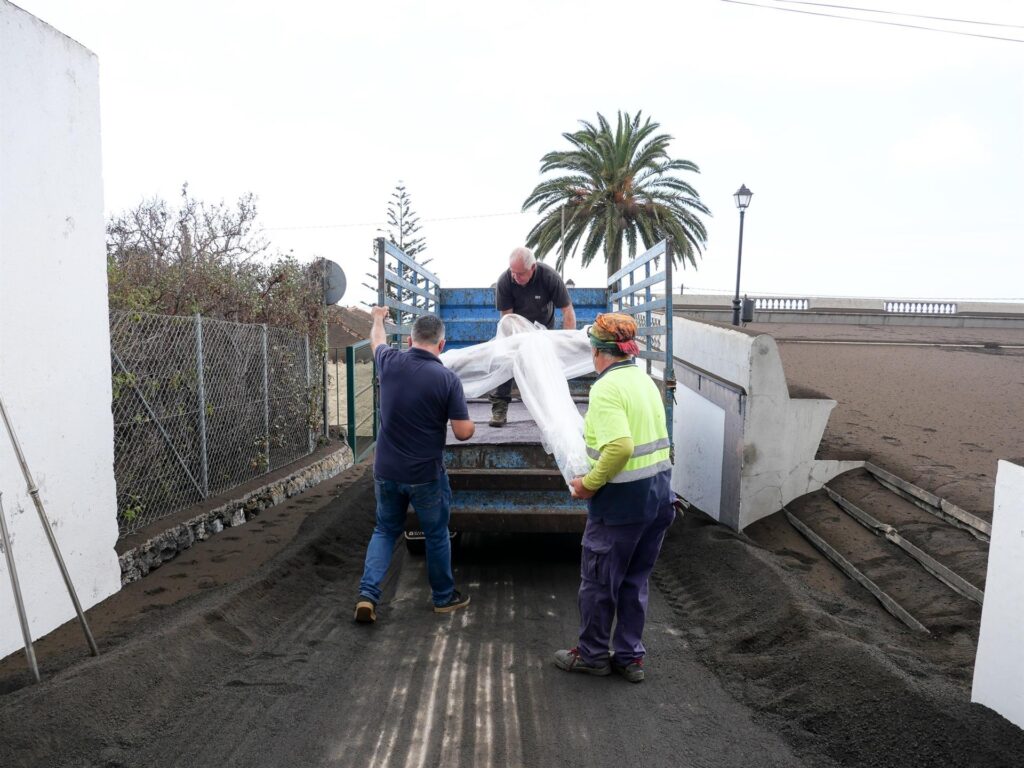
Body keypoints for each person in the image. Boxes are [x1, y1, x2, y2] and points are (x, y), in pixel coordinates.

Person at [554, 313, 675, 683]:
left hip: (622, 504)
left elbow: (620, 446)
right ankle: (629, 657)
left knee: (598, 582)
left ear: (597, 351)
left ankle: (592, 654)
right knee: (634, 581)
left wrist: (589, 484)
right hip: (659, 497)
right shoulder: (643, 380)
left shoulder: (605, 389)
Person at [354, 307, 475, 623]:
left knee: (384, 530)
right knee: (436, 534)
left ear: (409, 340)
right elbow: (463, 432)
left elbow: (377, 340)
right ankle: (443, 598)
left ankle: (367, 596)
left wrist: (378, 317)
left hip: (387, 471)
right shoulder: (447, 379)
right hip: (425, 476)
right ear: (442, 345)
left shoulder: (389, 361)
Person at [490, 246, 576, 427]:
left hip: (543, 330)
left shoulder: (549, 277)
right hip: (516, 328)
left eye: (520, 274)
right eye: (513, 272)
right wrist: (510, 345)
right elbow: (507, 318)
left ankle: (548, 410)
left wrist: (566, 343)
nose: (515, 277)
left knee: (545, 368)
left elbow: (568, 312)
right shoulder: (505, 281)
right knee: (505, 361)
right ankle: (499, 408)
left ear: (533, 268)